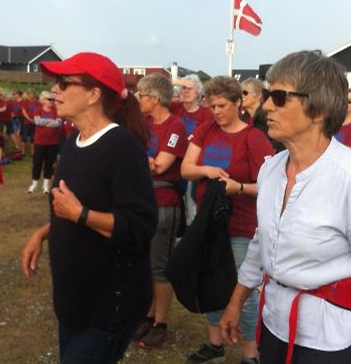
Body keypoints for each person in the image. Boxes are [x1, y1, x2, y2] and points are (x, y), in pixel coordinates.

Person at [21, 52, 158, 364]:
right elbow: (68, 206)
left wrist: (80, 215)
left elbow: (141, 225)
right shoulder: (73, 142)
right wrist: (43, 234)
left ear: (95, 94)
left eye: (65, 83)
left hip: (108, 303)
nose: (55, 90)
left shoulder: (122, 146)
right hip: (75, 300)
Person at [220, 51, 351, 364]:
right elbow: (261, 241)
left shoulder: (346, 177)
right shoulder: (271, 168)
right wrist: (236, 302)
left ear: (318, 109)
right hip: (273, 320)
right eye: (267, 94)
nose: (266, 106)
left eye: (278, 97)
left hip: (329, 336)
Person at [181, 75, 274, 364]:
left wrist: (240, 188)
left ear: (238, 103)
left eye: (222, 105)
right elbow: (186, 169)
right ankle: (215, 344)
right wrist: (206, 170)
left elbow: (271, 187)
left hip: (240, 226)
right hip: (209, 223)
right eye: (213, 106)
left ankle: (250, 352)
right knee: (208, 281)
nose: (216, 112)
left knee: (241, 290)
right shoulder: (206, 129)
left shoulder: (254, 138)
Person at [134, 73, 187, 349]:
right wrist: (147, 160)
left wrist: (144, 159)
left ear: (154, 98)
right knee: (146, 263)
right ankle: (149, 314)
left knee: (159, 266)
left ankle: (161, 323)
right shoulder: (145, 124)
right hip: (145, 201)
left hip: (164, 203)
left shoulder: (174, 125)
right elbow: (141, 160)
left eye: (141, 95)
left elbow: (162, 165)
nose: (138, 100)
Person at [172, 74, 214, 225]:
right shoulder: (174, 107)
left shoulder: (206, 114)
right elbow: (159, 91)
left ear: (198, 92)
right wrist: (176, 82)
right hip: (173, 162)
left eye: (190, 88)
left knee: (191, 202)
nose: (186, 91)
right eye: (183, 88)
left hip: (194, 164)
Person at [27, 91, 62, 194]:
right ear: (43, 100)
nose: (51, 101)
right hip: (40, 142)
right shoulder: (38, 110)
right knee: (37, 163)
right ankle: (34, 184)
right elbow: (37, 122)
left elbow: (58, 123)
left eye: (53, 99)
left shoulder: (56, 110)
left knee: (49, 164)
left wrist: (45, 121)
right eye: (49, 99)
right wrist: (50, 120)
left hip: (53, 142)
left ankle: (46, 185)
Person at [21, 89, 40, 156]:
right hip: (27, 122)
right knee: (24, 137)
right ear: (28, 94)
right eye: (29, 94)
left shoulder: (37, 103)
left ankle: (33, 152)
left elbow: (39, 112)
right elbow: (24, 111)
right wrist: (29, 119)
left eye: (32, 94)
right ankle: (23, 151)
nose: (31, 95)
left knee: (33, 137)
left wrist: (36, 120)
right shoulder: (25, 102)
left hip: (35, 122)